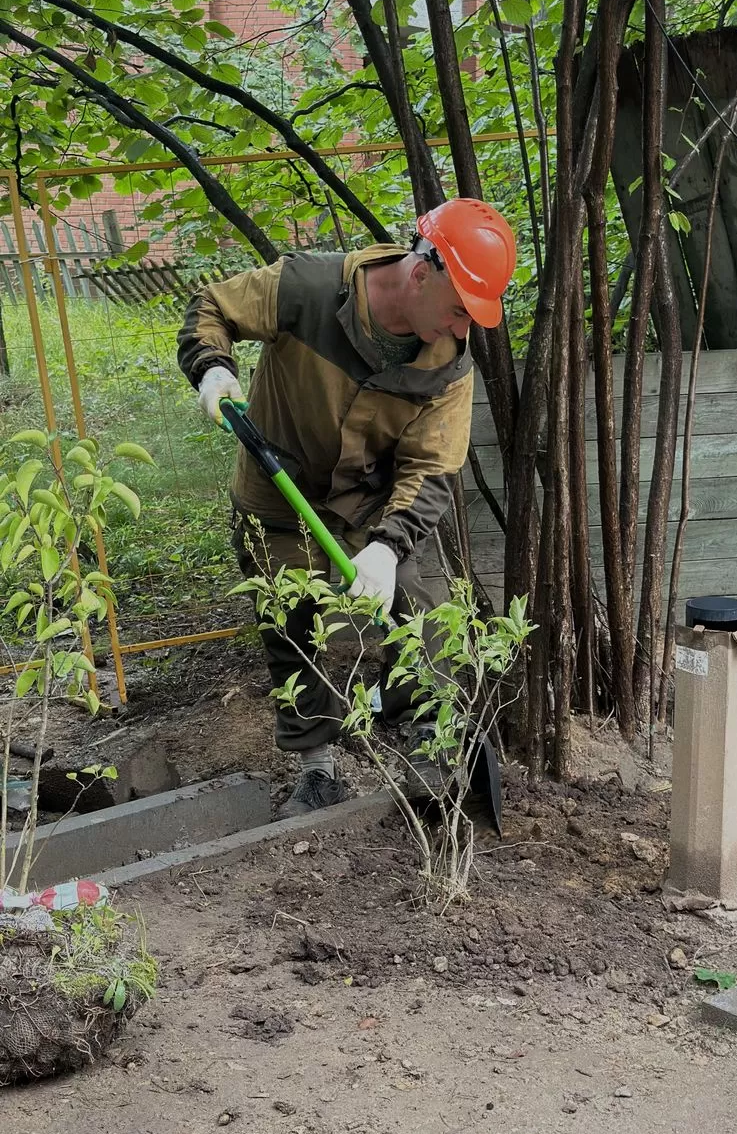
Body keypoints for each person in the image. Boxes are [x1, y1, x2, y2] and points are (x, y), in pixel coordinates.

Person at [177, 198, 516, 817]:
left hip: (375, 502)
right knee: (292, 624)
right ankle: (319, 768)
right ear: (422, 274)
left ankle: (427, 751)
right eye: (460, 310)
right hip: (278, 491)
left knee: (432, 617)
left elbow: (433, 467)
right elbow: (212, 309)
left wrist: (387, 548)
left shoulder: (451, 364)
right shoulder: (308, 288)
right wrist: (212, 371)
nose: (463, 329)